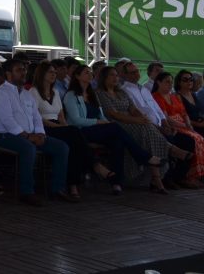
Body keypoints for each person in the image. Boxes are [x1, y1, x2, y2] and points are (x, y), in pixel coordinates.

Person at [63, 65, 161, 194]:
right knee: (115, 127)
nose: (90, 74)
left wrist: (104, 122)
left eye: (91, 72)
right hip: (81, 131)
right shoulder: (71, 95)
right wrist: (99, 122)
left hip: (97, 129)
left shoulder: (92, 95)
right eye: (86, 72)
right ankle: (143, 156)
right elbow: (76, 120)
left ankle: (116, 183)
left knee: (117, 142)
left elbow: (101, 115)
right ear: (77, 76)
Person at [95, 66, 190, 193]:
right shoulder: (100, 93)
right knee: (146, 130)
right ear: (104, 78)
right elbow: (113, 114)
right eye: (112, 75)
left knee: (148, 130)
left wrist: (142, 118)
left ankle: (157, 178)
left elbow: (133, 109)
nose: (115, 78)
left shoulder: (121, 92)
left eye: (116, 75)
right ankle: (170, 151)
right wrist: (137, 120)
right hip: (117, 124)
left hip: (133, 122)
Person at [0, 58, 71, 206]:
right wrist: (27, 136)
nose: (24, 72)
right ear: (8, 74)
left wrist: (40, 133)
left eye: (24, 69)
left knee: (62, 147)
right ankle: (26, 192)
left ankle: (57, 188)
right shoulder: (0, 93)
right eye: (19, 70)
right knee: (28, 148)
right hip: (6, 136)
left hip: (31, 135)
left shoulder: (27, 94)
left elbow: (37, 117)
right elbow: (8, 121)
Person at [29, 60, 109, 200]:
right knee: (74, 135)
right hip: (43, 127)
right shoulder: (33, 92)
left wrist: (65, 126)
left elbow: (61, 115)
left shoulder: (55, 92)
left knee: (74, 143)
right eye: (50, 72)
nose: (54, 75)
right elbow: (36, 117)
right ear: (42, 74)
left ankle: (73, 185)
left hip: (59, 126)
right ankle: (94, 166)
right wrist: (61, 127)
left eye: (55, 72)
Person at [151, 71, 204, 186]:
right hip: (172, 126)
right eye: (167, 82)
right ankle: (183, 176)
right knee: (191, 142)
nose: (170, 85)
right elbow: (165, 117)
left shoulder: (173, 97)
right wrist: (184, 125)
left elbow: (184, 113)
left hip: (183, 125)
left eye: (171, 82)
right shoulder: (156, 97)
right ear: (158, 82)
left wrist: (188, 124)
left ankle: (194, 175)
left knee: (201, 140)